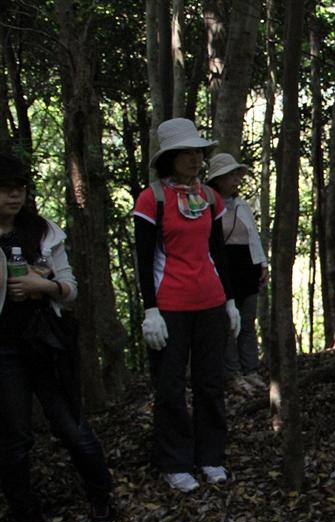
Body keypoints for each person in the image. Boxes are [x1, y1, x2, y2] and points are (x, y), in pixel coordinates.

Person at [0, 151, 115, 522]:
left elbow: (70, 289)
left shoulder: (42, 232)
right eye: (4, 190)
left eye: (18, 190)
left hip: (46, 344)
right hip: (4, 352)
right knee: (15, 437)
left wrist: (42, 285)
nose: (12, 198)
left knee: (71, 426)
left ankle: (103, 502)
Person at [133, 118, 241, 493]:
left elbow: (218, 253)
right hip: (171, 307)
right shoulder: (153, 199)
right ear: (170, 157)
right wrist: (150, 310)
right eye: (187, 153)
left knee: (210, 383)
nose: (196, 159)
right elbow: (144, 259)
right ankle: (175, 461)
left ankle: (211, 456)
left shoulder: (209, 197)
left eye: (199, 152)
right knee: (170, 386)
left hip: (210, 302)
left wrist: (230, 301)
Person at [206, 153, 268, 390]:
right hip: (224, 269)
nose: (235, 180)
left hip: (247, 268)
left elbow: (253, 236)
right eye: (230, 176)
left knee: (248, 323)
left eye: (236, 175)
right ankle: (232, 374)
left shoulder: (242, 205)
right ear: (218, 179)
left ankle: (250, 369)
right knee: (230, 323)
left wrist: (262, 265)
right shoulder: (208, 206)